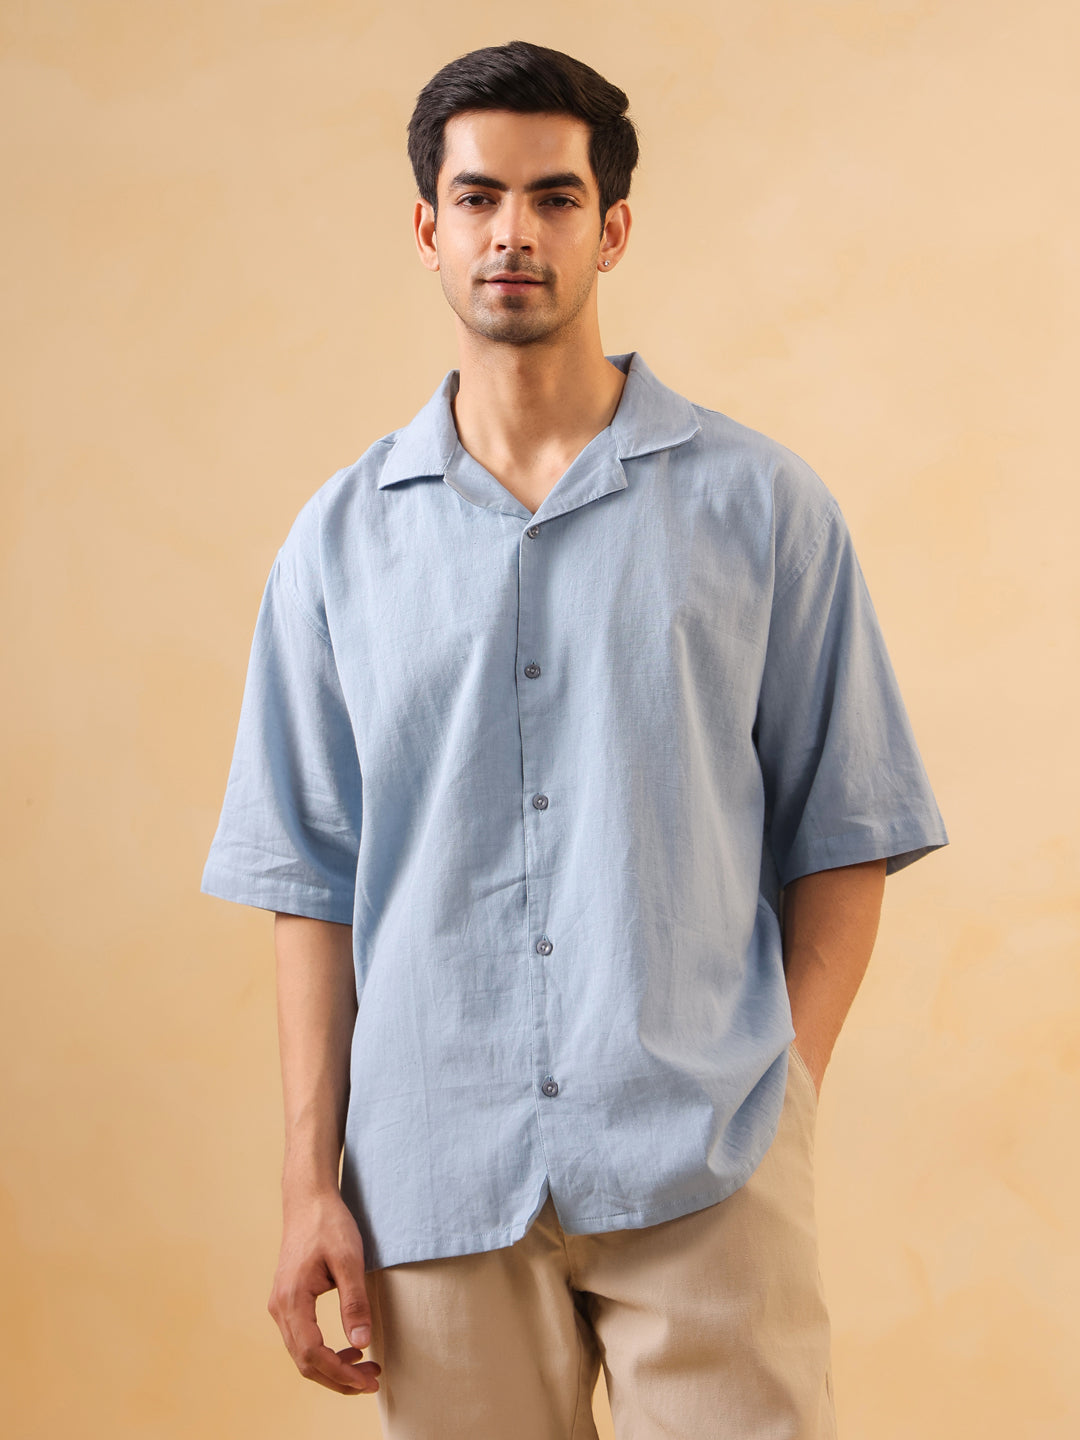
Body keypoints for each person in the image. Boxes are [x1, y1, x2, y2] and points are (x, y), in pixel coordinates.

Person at [201, 39, 948, 1440]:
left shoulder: (762, 509)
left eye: (554, 197)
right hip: (435, 1174)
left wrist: (782, 1095)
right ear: (427, 227)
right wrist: (309, 1184)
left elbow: (847, 828)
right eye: (478, 198)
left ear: (612, 228)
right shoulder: (336, 545)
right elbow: (310, 880)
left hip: (705, 1158)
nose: (513, 233)